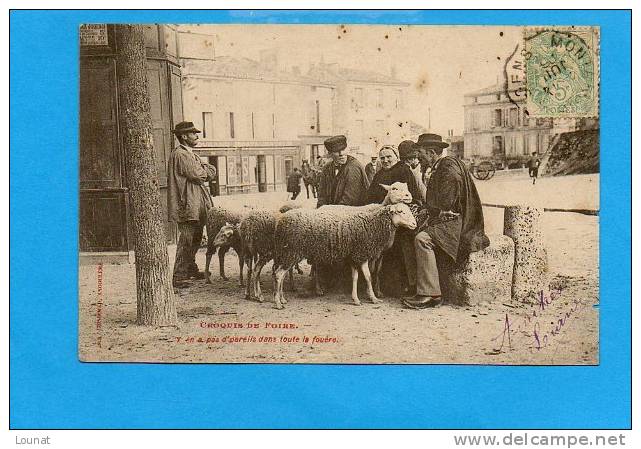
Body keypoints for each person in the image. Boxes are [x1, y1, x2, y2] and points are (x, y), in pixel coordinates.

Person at [403, 133, 490, 309]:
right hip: (449, 218)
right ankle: (416, 286)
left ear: (431, 153)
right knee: (409, 232)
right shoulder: (441, 165)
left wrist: (438, 210)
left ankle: (431, 294)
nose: (418, 156)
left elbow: (447, 205)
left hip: (459, 223)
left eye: (420, 152)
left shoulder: (447, 168)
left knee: (422, 239)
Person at [366, 142, 424, 296]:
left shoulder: (404, 170)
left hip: (401, 220)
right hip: (383, 219)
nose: (385, 160)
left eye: (388, 157)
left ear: (396, 157)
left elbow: (413, 196)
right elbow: (369, 196)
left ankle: (406, 286)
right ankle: (381, 285)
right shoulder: (379, 174)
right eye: (382, 158)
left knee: (401, 247)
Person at [167, 121, 217, 288]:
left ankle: (190, 268)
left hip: (195, 203)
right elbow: (199, 174)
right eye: (193, 133)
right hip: (187, 203)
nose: (196, 136)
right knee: (187, 239)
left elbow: (207, 169)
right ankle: (179, 276)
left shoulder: (189, 154)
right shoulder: (181, 154)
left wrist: (206, 169)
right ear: (183, 136)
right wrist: (206, 170)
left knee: (195, 238)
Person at [316, 135, 369, 207]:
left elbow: (349, 199)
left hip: (353, 212)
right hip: (331, 212)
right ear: (330, 153)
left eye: (343, 149)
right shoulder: (327, 168)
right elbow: (322, 195)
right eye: (337, 151)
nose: (341, 154)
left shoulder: (353, 167)